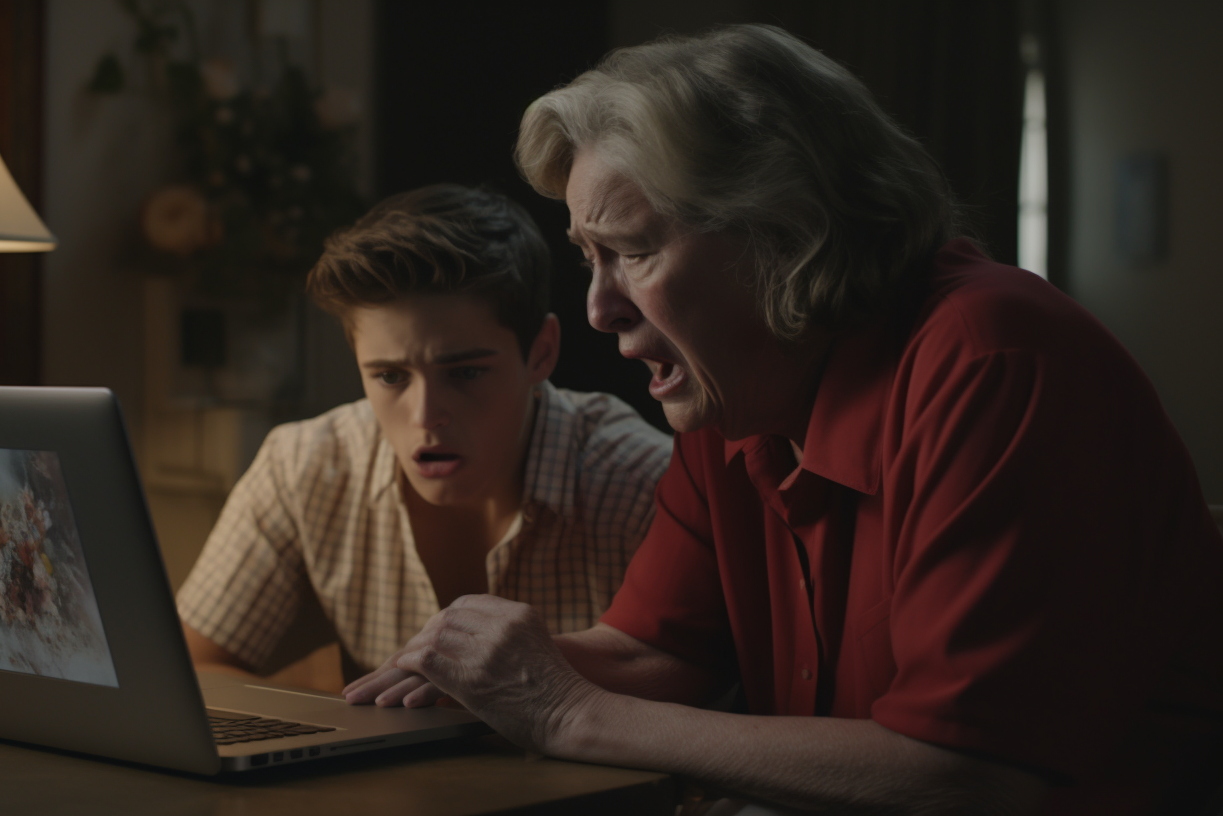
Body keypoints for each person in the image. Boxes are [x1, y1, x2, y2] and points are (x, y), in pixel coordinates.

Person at [342, 25, 1223, 815]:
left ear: (787, 232)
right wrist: (469, 681)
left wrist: (572, 711)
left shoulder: (995, 358)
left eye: (634, 251)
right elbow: (658, 655)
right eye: (588, 258)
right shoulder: (734, 394)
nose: (599, 309)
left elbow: (969, 777)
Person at [177, 183, 672, 680]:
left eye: (465, 373)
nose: (425, 415)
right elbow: (197, 666)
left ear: (541, 352)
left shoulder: (642, 487)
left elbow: (699, 697)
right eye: (390, 376)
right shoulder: (303, 466)